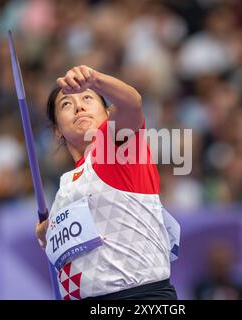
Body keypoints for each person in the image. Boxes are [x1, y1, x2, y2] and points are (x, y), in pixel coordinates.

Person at [36, 65, 178, 300]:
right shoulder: (66, 186)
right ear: (57, 131)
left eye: (87, 97)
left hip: (138, 298)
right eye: (66, 104)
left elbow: (132, 103)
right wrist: (49, 232)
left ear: (108, 113)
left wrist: (94, 79)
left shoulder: (112, 147)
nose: (79, 106)